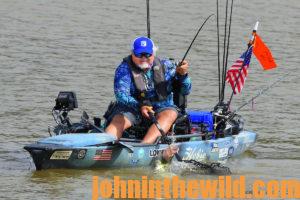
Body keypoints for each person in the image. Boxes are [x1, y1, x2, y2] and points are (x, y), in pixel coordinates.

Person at [104, 36, 191, 160]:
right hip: (133, 108)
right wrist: (140, 105)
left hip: (161, 107)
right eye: (139, 55)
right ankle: (104, 149)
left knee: (170, 113)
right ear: (132, 53)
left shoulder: (167, 66)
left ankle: (143, 149)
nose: (143, 58)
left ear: (153, 54)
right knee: (118, 120)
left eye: (147, 55)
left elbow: (186, 90)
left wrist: (183, 76)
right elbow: (121, 94)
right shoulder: (123, 69)